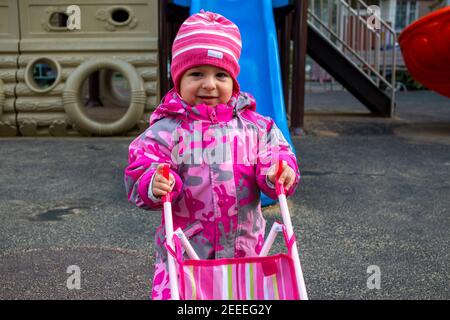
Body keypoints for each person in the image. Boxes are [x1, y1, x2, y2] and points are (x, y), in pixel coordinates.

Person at [124, 10, 300, 300]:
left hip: (246, 251)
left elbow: (277, 152)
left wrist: (277, 171)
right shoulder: (167, 131)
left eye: (221, 75)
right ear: (178, 79)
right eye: (196, 74)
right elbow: (141, 165)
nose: (209, 84)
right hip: (188, 251)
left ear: (233, 80)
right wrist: (151, 181)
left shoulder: (256, 127)